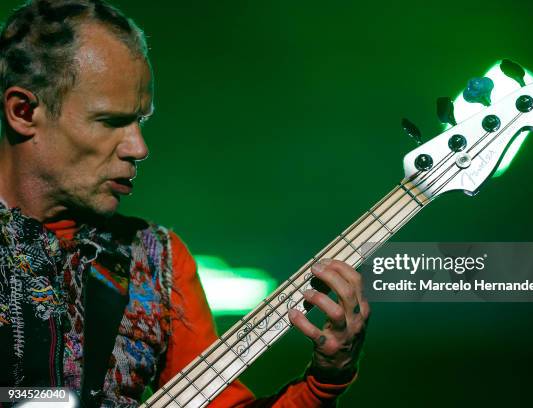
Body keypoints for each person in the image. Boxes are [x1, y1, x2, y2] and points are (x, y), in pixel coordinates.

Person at [0, 0, 369, 406]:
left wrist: (324, 382)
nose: (138, 148)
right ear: (23, 111)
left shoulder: (158, 260)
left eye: (141, 120)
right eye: (110, 122)